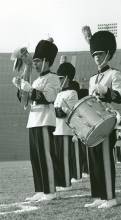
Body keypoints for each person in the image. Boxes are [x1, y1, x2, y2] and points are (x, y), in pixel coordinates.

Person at [12, 38, 60, 201]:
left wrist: (28, 88)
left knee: (46, 156)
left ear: (46, 61)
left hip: (46, 120)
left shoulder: (53, 78)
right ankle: (40, 189)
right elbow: (25, 103)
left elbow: (48, 97)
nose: (35, 64)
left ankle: (50, 191)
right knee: (36, 157)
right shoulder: (38, 80)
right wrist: (21, 88)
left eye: (38, 61)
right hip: (34, 120)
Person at [83, 30, 121, 209]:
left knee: (105, 158)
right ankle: (99, 196)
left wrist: (107, 92)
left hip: (108, 121)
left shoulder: (114, 74)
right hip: (93, 122)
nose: (97, 58)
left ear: (108, 54)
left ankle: (110, 197)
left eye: (100, 54)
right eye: (94, 55)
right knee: (94, 159)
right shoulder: (93, 78)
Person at [53, 62, 81, 191]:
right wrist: (60, 109)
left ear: (67, 78)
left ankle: (66, 183)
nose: (58, 81)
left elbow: (72, 113)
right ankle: (60, 182)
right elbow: (56, 111)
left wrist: (62, 109)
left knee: (64, 157)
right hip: (57, 129)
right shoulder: (59, 94)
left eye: (60, 78)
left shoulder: (72, 93)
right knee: (58, 158)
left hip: (66, 129)